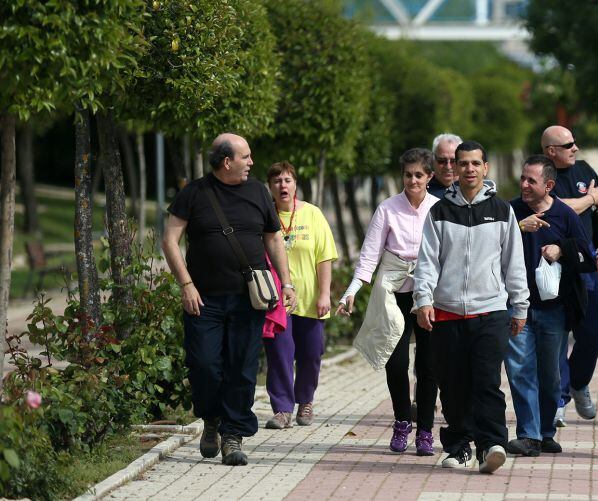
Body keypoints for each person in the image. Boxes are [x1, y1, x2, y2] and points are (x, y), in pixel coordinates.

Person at [161, 133, 296, 466]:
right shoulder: (194, 193)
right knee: (204, 365)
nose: (251, 162)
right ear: (226, 162)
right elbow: (169, 239)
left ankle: (233, 435)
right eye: (245, 157)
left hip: (248, 300)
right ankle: (212, 418)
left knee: (242, 369)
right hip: (203, 300)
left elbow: (273, 239)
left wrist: (287, 283)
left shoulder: (258, 192)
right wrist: (186, 284)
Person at [413, 140, 529, 474]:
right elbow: (427, 262)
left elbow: (514, 263)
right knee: (452, 385)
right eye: (463, 163)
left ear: (485, 168)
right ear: (454, 168)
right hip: (446, 311)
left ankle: (491, 445)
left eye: (475, 163)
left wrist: (520, 306)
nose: (469, 169)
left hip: (490, 310)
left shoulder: (502, 210)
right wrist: (423, 300)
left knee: (487, 381)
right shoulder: (439, 212)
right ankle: (459, 447)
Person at [337, 148, 440, 456]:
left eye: (419, 175)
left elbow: (448, 253)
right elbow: (369, 255)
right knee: (395, 363)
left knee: (428, 364)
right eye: (408, 175)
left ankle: (425, 430)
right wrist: (352, 290)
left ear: (430, 177)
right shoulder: (387, 208)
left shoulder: (439, 208)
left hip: (428, 292)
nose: (413, 180)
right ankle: (401, 422)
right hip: (393, 291)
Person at [505, 155, 595, 457]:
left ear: (549, 185)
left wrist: (561, 250)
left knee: (550, 375)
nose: (524, 185)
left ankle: (545, 432)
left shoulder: (564, 215)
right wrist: (519, 227)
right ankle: (528, 435)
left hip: (554, 310)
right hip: (516, 306)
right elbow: (489, 246)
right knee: (520, 371)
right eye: (522, 178)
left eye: (531, 180)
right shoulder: (510, 212)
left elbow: (587, 258)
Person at [541, 125, 598, 425]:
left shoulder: (584, 169)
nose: (575, 148)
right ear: (551, 151)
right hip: (555, 267)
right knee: (557, 335)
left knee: (591, 334)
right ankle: (559, 399)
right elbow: (555, 207)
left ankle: (578, 382)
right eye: (568, 144)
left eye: (575, 143)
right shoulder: (542, 173)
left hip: (586, 267)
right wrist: (589, 199)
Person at [263, 162, 338, 430]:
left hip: (310, 299)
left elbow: (324, 257)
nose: (282, 186)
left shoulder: (313, 214)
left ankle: (305, 400)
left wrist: (325, 294)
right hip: (277, 302)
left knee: (311, 353)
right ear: (270, 187)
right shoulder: (265, 215)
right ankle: (282, 409)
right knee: (280, 355)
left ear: (295, 184)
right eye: (276, 181)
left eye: (287, 180)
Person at [427, 133, 462, 199]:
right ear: (433, 160)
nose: (448, 167)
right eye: (442, 161)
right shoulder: (422, 192)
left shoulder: (474, 191)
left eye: (453, 161)